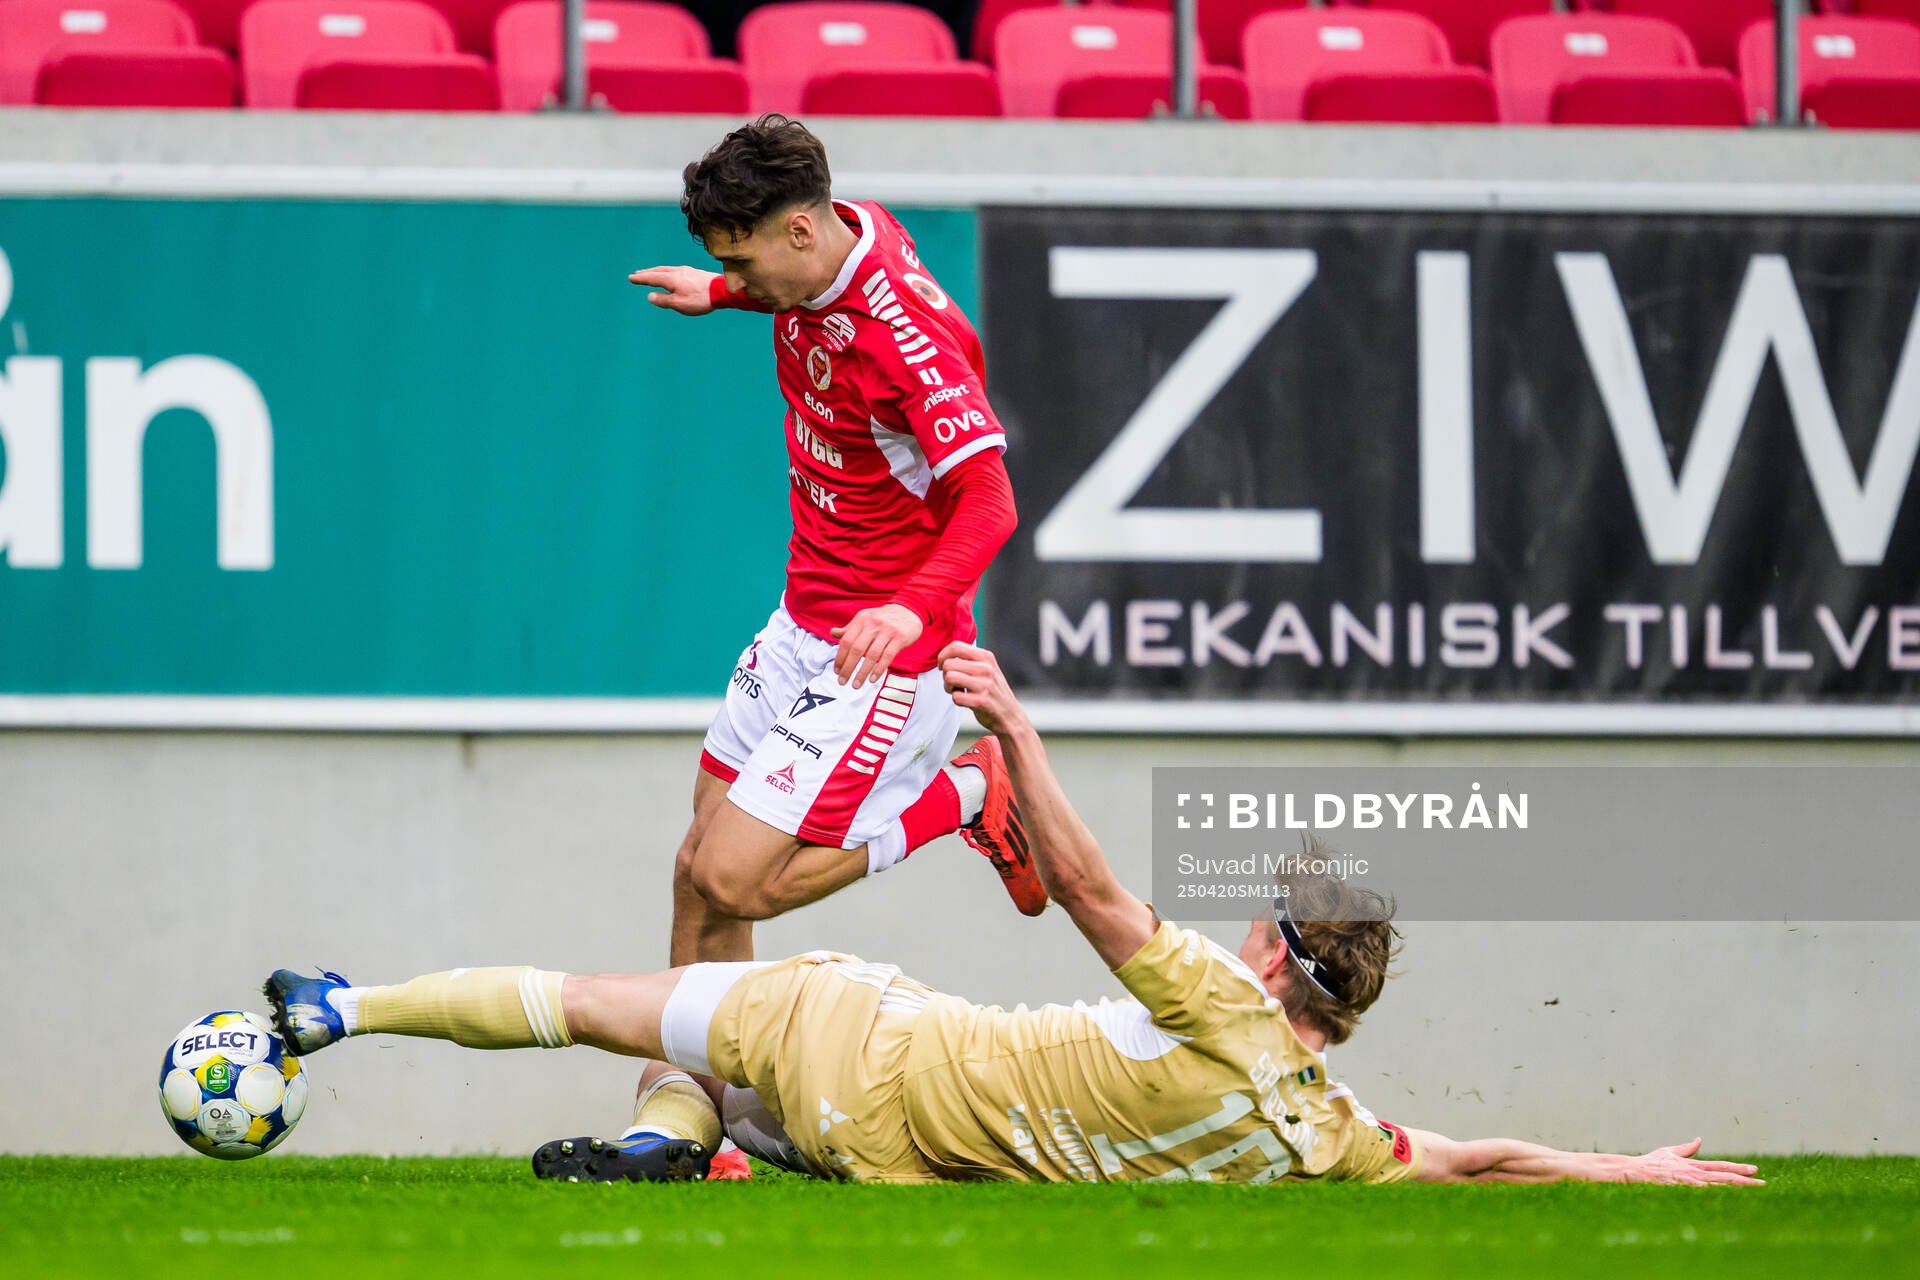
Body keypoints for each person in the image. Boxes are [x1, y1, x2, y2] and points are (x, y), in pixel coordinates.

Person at [264, 644, 1763, 1190]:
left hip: (867, 1033)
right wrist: (1623, 1166)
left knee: (596, 997)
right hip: (886, 1153)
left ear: (1271, 951)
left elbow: (1093, 893)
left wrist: (1014, 738)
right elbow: (1472, 1156)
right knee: (704, 1060)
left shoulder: (1218, 998)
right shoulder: (1324, 1133)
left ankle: (343, 1009)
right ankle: (681, 1145)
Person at [628, 114, 1041, 1174]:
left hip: (884, 653)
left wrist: (911, 609)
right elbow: (796, 287)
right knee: (695, 867)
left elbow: (990, 500)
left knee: (740, 880)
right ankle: (698, 1122)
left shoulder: (907, 334)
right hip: (801, 620)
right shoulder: (835, 239)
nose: (737, 277)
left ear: (802, 232)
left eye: (742, 261)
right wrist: (722, 292)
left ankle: (964, 795)